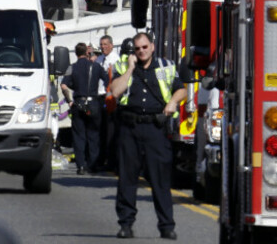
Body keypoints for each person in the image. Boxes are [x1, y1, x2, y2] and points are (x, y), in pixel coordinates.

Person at [110, 32, 187, 240]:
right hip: (130, 128)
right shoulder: (122, 67)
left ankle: (166, 226)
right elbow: (115, 92)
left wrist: (172, 102)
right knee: (127, 179)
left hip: (155, 129)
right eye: (137, 49)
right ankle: (125, 224)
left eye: (145, 47)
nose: (141, 51)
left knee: (160, 180)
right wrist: (131, 69)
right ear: (133, 51)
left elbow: (181, 90)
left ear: (152, 47)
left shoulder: (166, 66)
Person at [60, 42, 108, 175]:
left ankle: (80, 166)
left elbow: (63, 85)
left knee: (79, 136)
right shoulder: (96, 66)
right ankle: (92, 164)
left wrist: (69, 100)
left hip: (78, 103)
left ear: (76, 53)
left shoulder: (72, 67)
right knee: (93, 135)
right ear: (87, 53)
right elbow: (107, 80)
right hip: (93, 103)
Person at [95, 35, 120, 172]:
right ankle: (101, 159)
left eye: (105, 44)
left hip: (109, 99)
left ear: (111, 45)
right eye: (101, 44)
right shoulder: (99, 60)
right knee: (101, 131)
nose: (103, 47)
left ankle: (110, 161)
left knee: (110, 132)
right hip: (99, 97)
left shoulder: (115, 60)